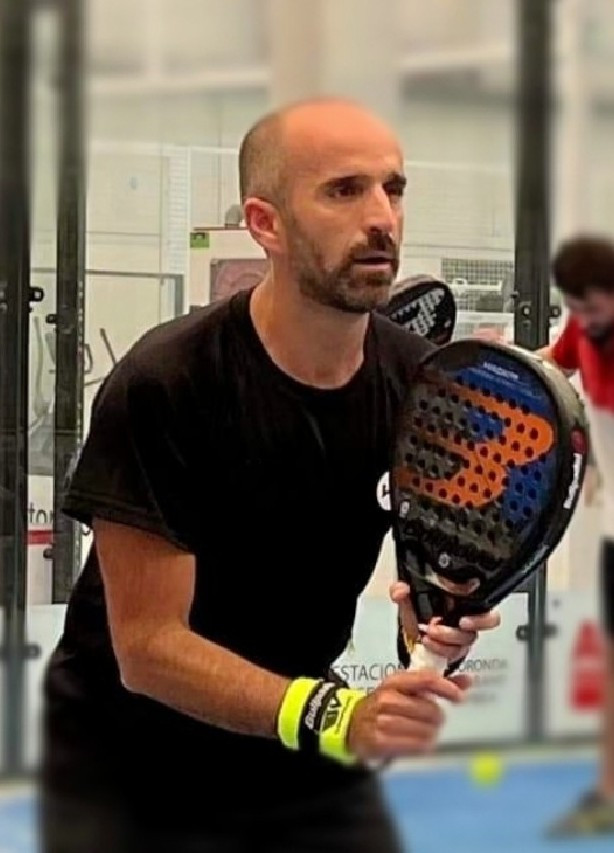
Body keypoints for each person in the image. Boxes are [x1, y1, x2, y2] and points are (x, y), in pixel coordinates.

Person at [38, 97, 501, 853]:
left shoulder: (421, 385)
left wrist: (437, 616)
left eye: (393, 188)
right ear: (266, 224)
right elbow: (149, 647)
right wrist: (338, 716)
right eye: (343, 190)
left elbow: (422, 589)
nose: (381, 217)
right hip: (128, 754)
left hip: (297, 723)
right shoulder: (167, 381)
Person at [536, 235, 614, 838]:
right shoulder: (583, 330)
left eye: (594, 305)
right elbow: (550, 364)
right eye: (576, 307)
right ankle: (608, 796)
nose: (585, 318)